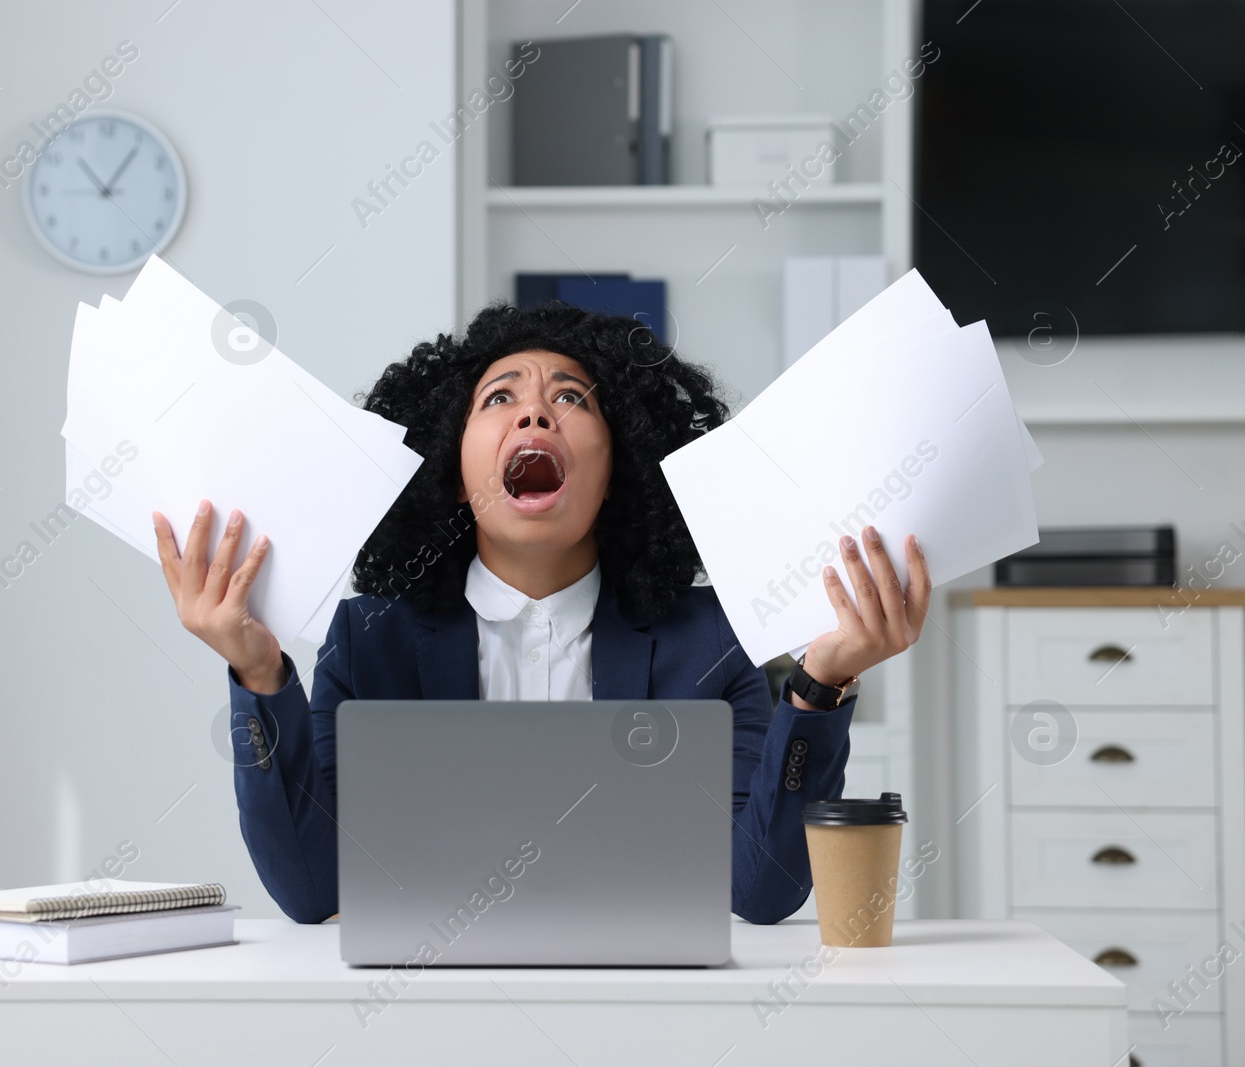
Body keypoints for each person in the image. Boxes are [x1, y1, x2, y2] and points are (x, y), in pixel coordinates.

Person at [153, 302, 931, 925]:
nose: (534, 415)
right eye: (501, 398)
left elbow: (761, 891)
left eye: (568, 397)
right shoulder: (370, 643)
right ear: (455, 475)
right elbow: (310, 887)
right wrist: (257, 673)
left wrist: (823, 682)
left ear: (617, 470)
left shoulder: (709, 643)